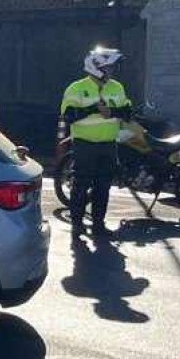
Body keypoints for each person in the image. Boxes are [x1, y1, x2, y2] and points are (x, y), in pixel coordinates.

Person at [60, 46, 132, 238]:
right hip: (84, 144)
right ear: (97, 67)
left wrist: (113, 112)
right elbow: (68, 116)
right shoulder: (76, 88)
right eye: (109, 67)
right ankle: (77, 224)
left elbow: (127, 112)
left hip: (108, 144)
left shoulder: (117, 87)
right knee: (81, 185)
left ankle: (98, 224)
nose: (112, 71)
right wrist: (92, 109)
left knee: (103, 186)